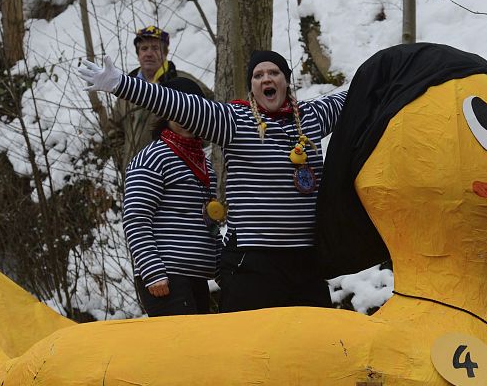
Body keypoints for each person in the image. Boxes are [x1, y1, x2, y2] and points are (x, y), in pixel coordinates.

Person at [80, 50, 347, 312]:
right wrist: (120, 83)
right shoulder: (233, 120)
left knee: (316, 347)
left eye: (274, 72)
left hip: (306, 260)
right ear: (251, 87)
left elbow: (361, 93)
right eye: (258, 75)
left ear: (286, 80)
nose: (267, 78)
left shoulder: (312, 116)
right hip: (254, 261)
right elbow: (176, 103)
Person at [123, 77, 220, 316]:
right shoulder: (152, 158)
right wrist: (153, 271)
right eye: (179, 108)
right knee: (183, 350)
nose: (186, 115)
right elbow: (135, 218)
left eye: (193, 108)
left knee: (200, 349)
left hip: (197, 275)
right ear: (166, 111)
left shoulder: (202, 161)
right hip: (165, 278)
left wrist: (220, 264)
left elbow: (207, 221)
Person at [112, 26, 178, 170]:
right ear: (138, 54)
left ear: (165, 53)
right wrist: (123, 159)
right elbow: (114, 129)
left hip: (172, 178)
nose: (149, 53)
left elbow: (211, 115)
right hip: (133, 176)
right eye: (144, 48)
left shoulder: (181, 83)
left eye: (155, 48)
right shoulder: (126, 89)